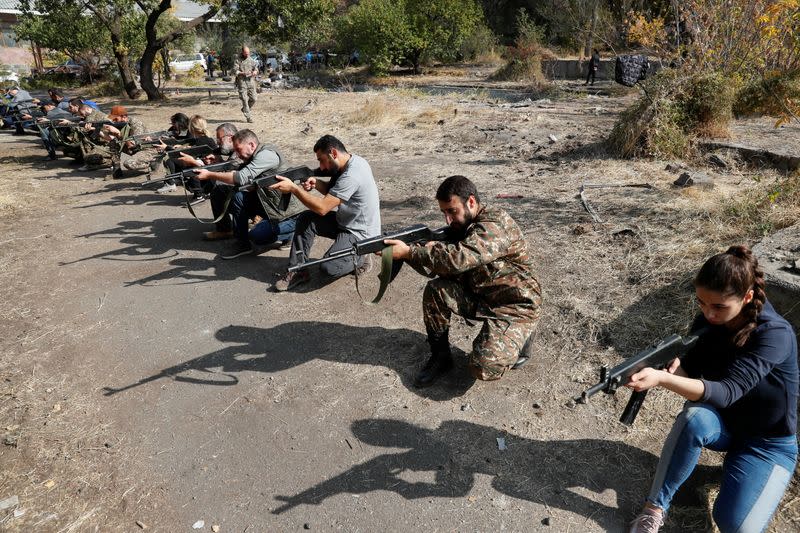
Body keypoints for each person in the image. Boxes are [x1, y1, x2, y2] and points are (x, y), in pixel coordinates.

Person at [627, 245, 798, 533]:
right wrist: (667, 368)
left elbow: (727, 391)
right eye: (702, 303)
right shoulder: (709, 321)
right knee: (694, 419)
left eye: (719, 306)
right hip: (724, 424)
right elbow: (691, 373)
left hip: (767, 445)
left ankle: (735, 473)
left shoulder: (775, 335)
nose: (708, 313)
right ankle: (654, 508)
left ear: (747, 297)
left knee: (736, 526)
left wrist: (664, 379)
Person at [382, 176, 542, 386]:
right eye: (444, 212)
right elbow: (449, 263)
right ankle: (441, 357)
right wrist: (428, 248)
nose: (448, 220)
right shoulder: (464, 227)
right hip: (481, 295)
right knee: (436, 290)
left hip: (515, 305)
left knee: (483, 366)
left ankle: (522, 334)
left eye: (452, 211)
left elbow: (459, 258)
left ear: (472, 202)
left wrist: (410, 253)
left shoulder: (495, 224)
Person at [270, 135, 381, 291]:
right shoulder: (350, 162)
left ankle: (362, 256)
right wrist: (316, 183)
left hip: (360, 234)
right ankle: (298, 270)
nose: (321, 167)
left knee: (328, 268)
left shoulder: (352, 174)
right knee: (306, 219)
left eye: (322, 160)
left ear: (334, 153)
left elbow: (322, 208)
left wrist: (294, 189)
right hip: (345, 222)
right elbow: (333, 190)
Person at [192, 129, 302, 259]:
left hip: (286, 213)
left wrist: (209, 174)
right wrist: (217, 163)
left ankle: (292, 233)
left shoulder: (267, 155)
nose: (238, 155)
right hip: (268, 204)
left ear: (251, 145)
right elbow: (236, 168)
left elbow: (241, 177)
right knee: (238, 197)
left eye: (239, 150)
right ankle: (242, 244)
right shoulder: (253, 155)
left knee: (256, 237)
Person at [233, 46, 258, 123]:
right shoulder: (237, 60)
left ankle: (245, 109)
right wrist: (242, 73)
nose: (247, 55)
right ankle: (248, 117)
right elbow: (234, 71)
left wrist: (255, 72)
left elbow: (256, 68)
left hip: (250, 82)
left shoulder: (251, 59)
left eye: (248, 53)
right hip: (242, 82)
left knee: (254, 99)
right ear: (242, 52)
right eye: (246, 53)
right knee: (244, 99)